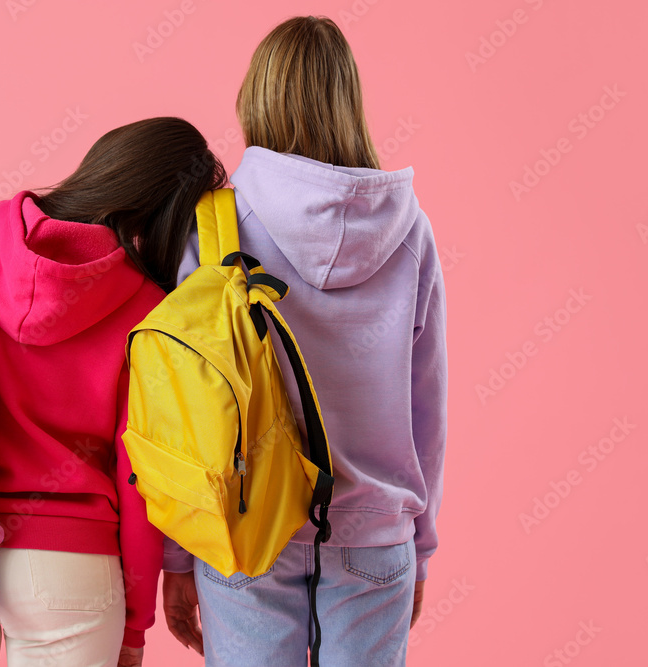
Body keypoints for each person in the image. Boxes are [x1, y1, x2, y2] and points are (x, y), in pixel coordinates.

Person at [0, 117, 226, 667]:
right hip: (71, 575)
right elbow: (138, 479)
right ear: (167, 221)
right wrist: (135, 626)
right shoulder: (148, 314)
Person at [161, 16, 448, 667]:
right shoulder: (411, 232)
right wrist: (419, 546)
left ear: (256, 99)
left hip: (246, 525)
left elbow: (184, 409)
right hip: (376, 533)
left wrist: (178, 553)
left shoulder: (216, 228)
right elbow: (427, 403)